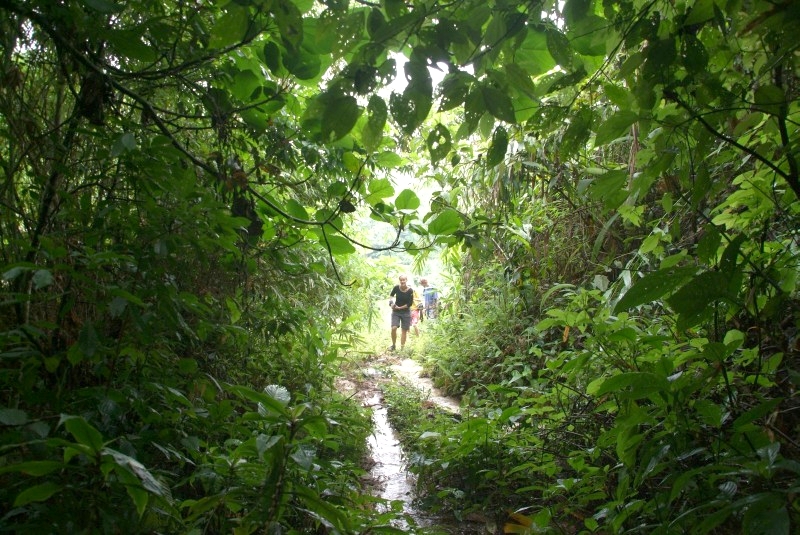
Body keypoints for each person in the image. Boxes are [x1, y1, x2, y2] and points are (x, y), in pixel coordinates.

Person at [388, 275, 414, 351]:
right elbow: (391, 295)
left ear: (406, 280)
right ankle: (393, 345)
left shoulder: (410, 290)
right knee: (394, 328)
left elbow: (410, 303)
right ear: (399, 280)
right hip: (396, 311)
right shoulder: (396, 287)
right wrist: (391, 303)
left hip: (406, 312)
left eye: (404, 280)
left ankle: (402, 348)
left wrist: (400, 307)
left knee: (404, 330)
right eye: (401, 280)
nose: (402, 281)